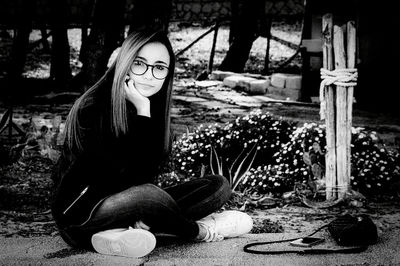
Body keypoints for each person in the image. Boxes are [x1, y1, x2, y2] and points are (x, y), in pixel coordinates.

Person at [51, 29, 253, 258]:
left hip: (131, 204)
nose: (148, 75)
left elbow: (144, 174)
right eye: (140, 64)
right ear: (125, 64)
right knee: (150, 197)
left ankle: (125, 233)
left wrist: (143, 111)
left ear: (167, 74)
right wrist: (142, 113)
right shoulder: (93, 107)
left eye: (159, 68)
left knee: (218, 186)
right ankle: (200, 230)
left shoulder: (149, 107)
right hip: (81, 215)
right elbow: (109, 178)